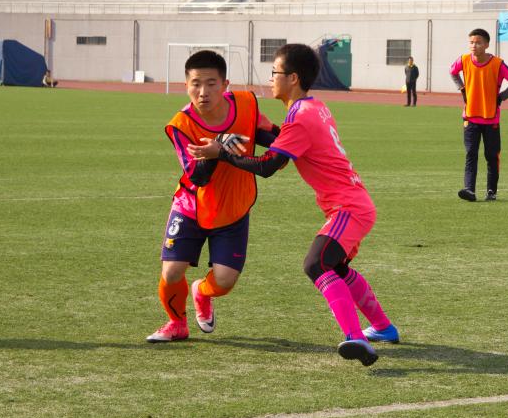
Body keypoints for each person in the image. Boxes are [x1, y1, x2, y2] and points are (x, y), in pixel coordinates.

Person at [200, 43, 397, 366]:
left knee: (316, 264)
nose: (270, 78)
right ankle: (383, 328)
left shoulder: (301, 118)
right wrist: (254, 130)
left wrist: (222, 154)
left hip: (349, 207)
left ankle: (356, 338)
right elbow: (284, 141)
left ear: (292, 78)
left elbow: (268, 166)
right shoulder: (312, 107)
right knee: (337, 267)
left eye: (274, 72)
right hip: (353, 203)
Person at [145, 50, 279, 343]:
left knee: (224, 281)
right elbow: (197, 176)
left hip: (233, 205)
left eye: (211, 83)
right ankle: (176, 323)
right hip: (191, 204)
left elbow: (272, 137)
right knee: (171, 272)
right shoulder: (180, 125)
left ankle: (201, 292)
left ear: (225, 84)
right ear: (186, 85)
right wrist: (218, 150)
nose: (202, 92)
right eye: (195, 84)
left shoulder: (246, 104)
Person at [449, 28, 508, 202]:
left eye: (478, 42)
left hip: (491, 119)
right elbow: (453, 71)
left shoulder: (497, 64)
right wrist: (462, 88)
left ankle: (491, 191)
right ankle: (469, 189)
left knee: (491, 156)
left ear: (487, 45)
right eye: (471, 42)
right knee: (471, 154)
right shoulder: (464, 60)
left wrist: (502, 96)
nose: (474, 46)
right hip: (470, 117)